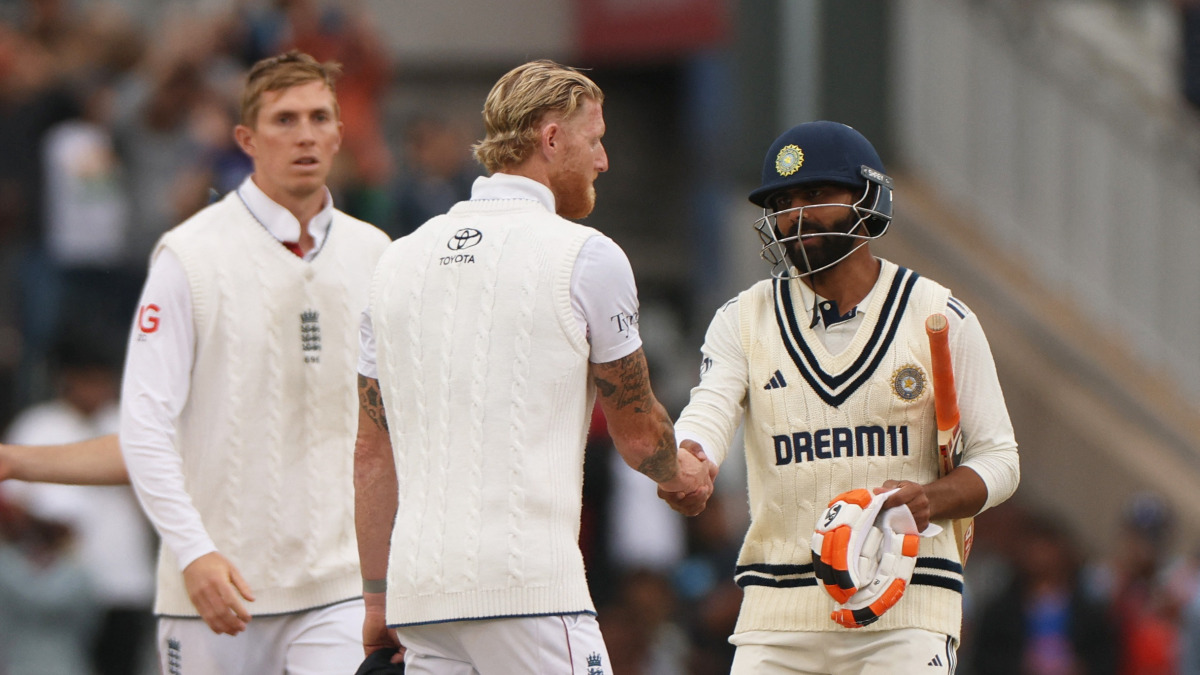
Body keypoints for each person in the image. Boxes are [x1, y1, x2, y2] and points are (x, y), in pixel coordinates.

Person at [353, 59, 713, 674]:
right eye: (596, 140)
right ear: (552, 139)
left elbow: (370, 455)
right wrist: (683, 472)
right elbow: (637, 433)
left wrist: (377, 599)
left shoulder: (394, 263)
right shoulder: (588, 255)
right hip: (532, 596)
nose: (603, 161)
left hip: (420, 602)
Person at [663, 120, 1020, 674]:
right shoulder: (741, 320)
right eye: (783, 202)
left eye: (817, 195)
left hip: (907, 604)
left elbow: (1000, 459)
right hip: (777, 611)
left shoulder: (940, 317)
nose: (797, 216)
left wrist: (932, 499)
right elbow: (708, 409)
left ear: (868, 200)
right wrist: (690, 455)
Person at [117, 50, 390, 674]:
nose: (305, 134)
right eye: (284, 119)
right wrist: (192, 553)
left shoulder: (378, 254)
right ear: (245, 138)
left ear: (340, 134)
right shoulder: (187, 257)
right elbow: (144, 423)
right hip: (216, 588)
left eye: (320, 117)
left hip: (341, 589)